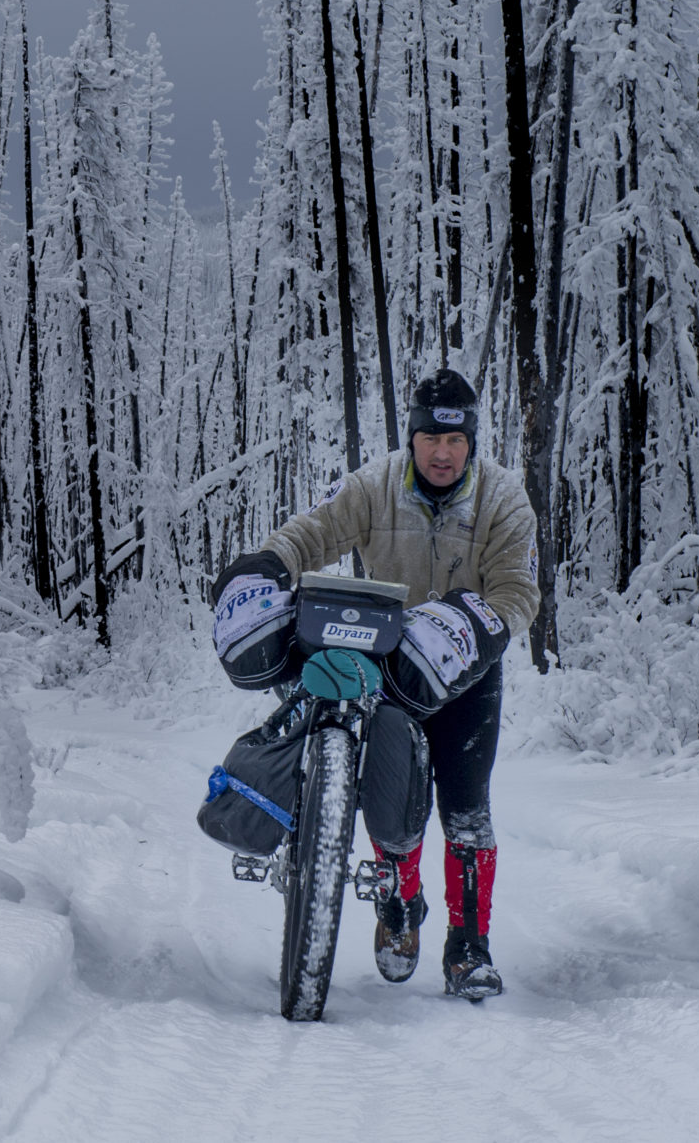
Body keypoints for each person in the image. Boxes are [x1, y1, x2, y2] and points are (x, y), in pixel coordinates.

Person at [208, 368, 538, 999]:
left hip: (467, 670)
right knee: (396, 795)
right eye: (430, 439)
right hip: (387, 660)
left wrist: (474, 620)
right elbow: (314, 530)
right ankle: (400, 904)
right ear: (412, 438)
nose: (443, 453)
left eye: (457, 441)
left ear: (471, 443)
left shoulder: (503, 498)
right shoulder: (375, 486)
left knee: (466, 810)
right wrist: (267, 564)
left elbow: (519, 591)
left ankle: (469, 950)